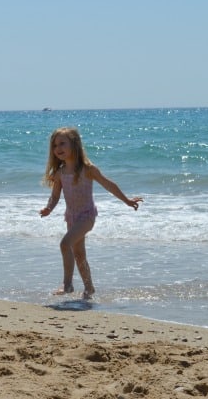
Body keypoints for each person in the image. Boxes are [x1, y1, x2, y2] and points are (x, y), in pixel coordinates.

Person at [40, 127, 142, 299]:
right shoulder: (60, 172)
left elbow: (109, 185)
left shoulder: (88, 169)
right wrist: (49, 208)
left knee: (65, 244)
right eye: (55, 145)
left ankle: (67, 285)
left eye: (62, 143)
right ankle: (89, 288)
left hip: (87, 216)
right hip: (71, 218)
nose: (58, 148)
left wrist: (127, 201)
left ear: (74, 144)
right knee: (79, 254)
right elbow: (55, 195)